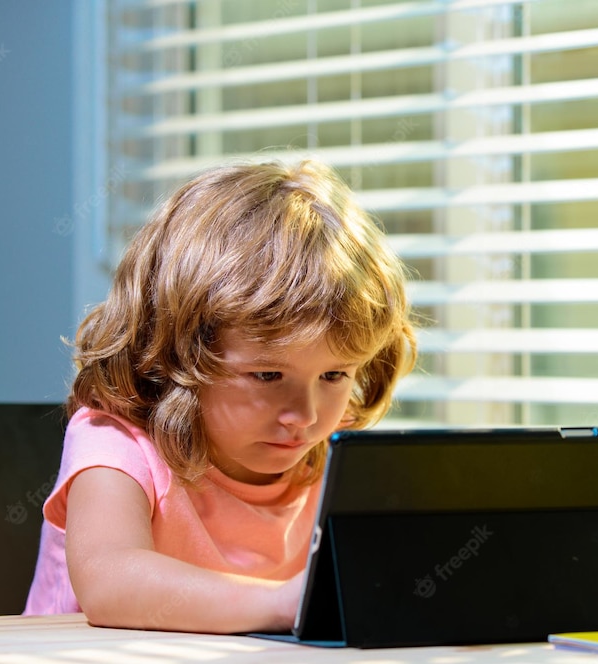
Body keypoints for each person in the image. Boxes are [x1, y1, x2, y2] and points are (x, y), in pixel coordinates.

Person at [24, 158, 417, 634]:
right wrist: (287, 602)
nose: (304, 416)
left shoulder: (334, 452)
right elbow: (109, 583)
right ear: (176, 353)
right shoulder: (116, 443)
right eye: (268, 375)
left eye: (334, 375)